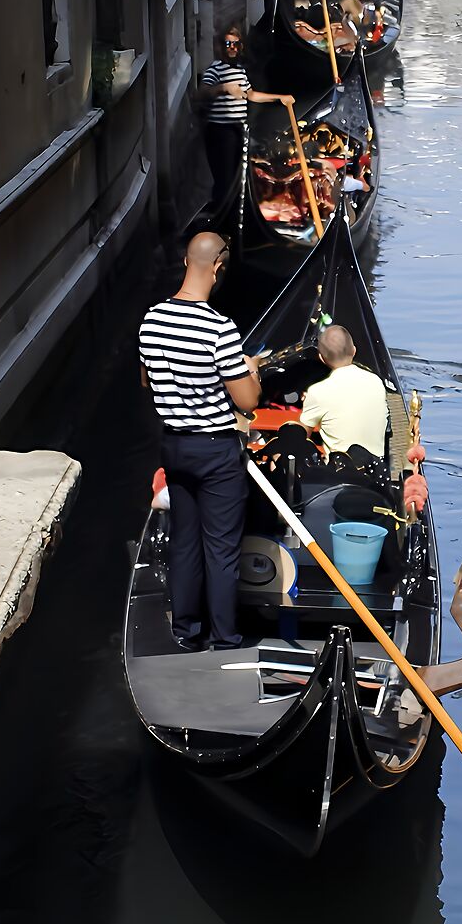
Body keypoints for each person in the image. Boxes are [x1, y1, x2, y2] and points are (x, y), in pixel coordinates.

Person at [139, 232, 262, 650]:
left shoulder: (152, 319)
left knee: (184, 541)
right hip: (215, 450)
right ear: (218, 267)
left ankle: (186, 633)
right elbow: (247, 400)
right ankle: (226, 638)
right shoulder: (219, 327)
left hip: (174, 446)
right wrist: (248, 371)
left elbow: (148, 380)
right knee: (221, 549)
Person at [197, 25, 294, 191]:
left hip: (238, 130)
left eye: (236, 44)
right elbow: (202, 93)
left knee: (238, 175)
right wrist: (224, 88)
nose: (233, 48)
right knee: (225, 179)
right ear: (221, 47)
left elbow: (251, 95)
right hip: (220, 131)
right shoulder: (215, 69)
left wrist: (279, 98)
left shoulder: (240, 71)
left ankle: (233, 208)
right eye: (228, 44)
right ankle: (223, 209)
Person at [298, 325, 388, 460]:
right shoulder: (376, 382)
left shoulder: (318, 392)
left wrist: (310, 403)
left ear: (321, 358)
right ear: (354, 351)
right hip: (377, 469)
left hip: (339, 473)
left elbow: (301, 437)